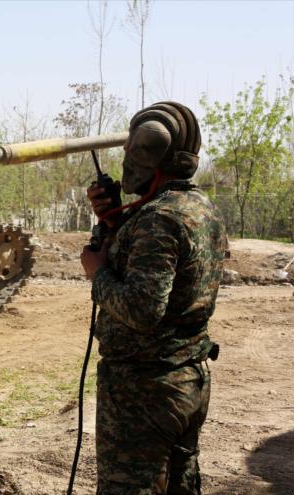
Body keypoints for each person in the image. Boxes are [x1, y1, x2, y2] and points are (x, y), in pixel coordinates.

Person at [80, 101, 227, 494]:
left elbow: (143, 309)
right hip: (186, 381)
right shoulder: (199, 207)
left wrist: (97, 272)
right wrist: (114, 224)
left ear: (158, 160)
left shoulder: (158, 219)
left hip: (144, 391)